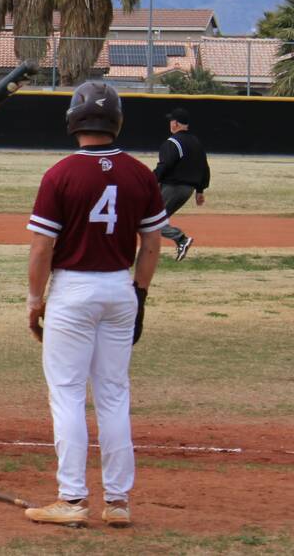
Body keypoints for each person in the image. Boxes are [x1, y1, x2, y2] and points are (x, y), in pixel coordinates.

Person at [24, 82, 165, 529]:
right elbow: (152, 244)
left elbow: (42, 248)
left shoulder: (61, 173)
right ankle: (119, 500)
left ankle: (72, 497)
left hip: (73, 289)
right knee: (113, 394)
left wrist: (34, 297)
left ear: (73, 119)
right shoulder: (141, 173)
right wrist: (139, 294)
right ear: (116, 121)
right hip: (119, 288)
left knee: (67, 394)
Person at [153, 107, 209, 261]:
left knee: (151, 221)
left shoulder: (172, 142)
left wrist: (150, 181)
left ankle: (181, 239)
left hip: (173, 187)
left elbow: (164, 166)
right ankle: (176, 242)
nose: (170, 123)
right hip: (188, 190)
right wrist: (200, 190)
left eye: (171, 120)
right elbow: (204, 166)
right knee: (156, 220)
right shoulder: (195, 142)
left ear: (175, 123)